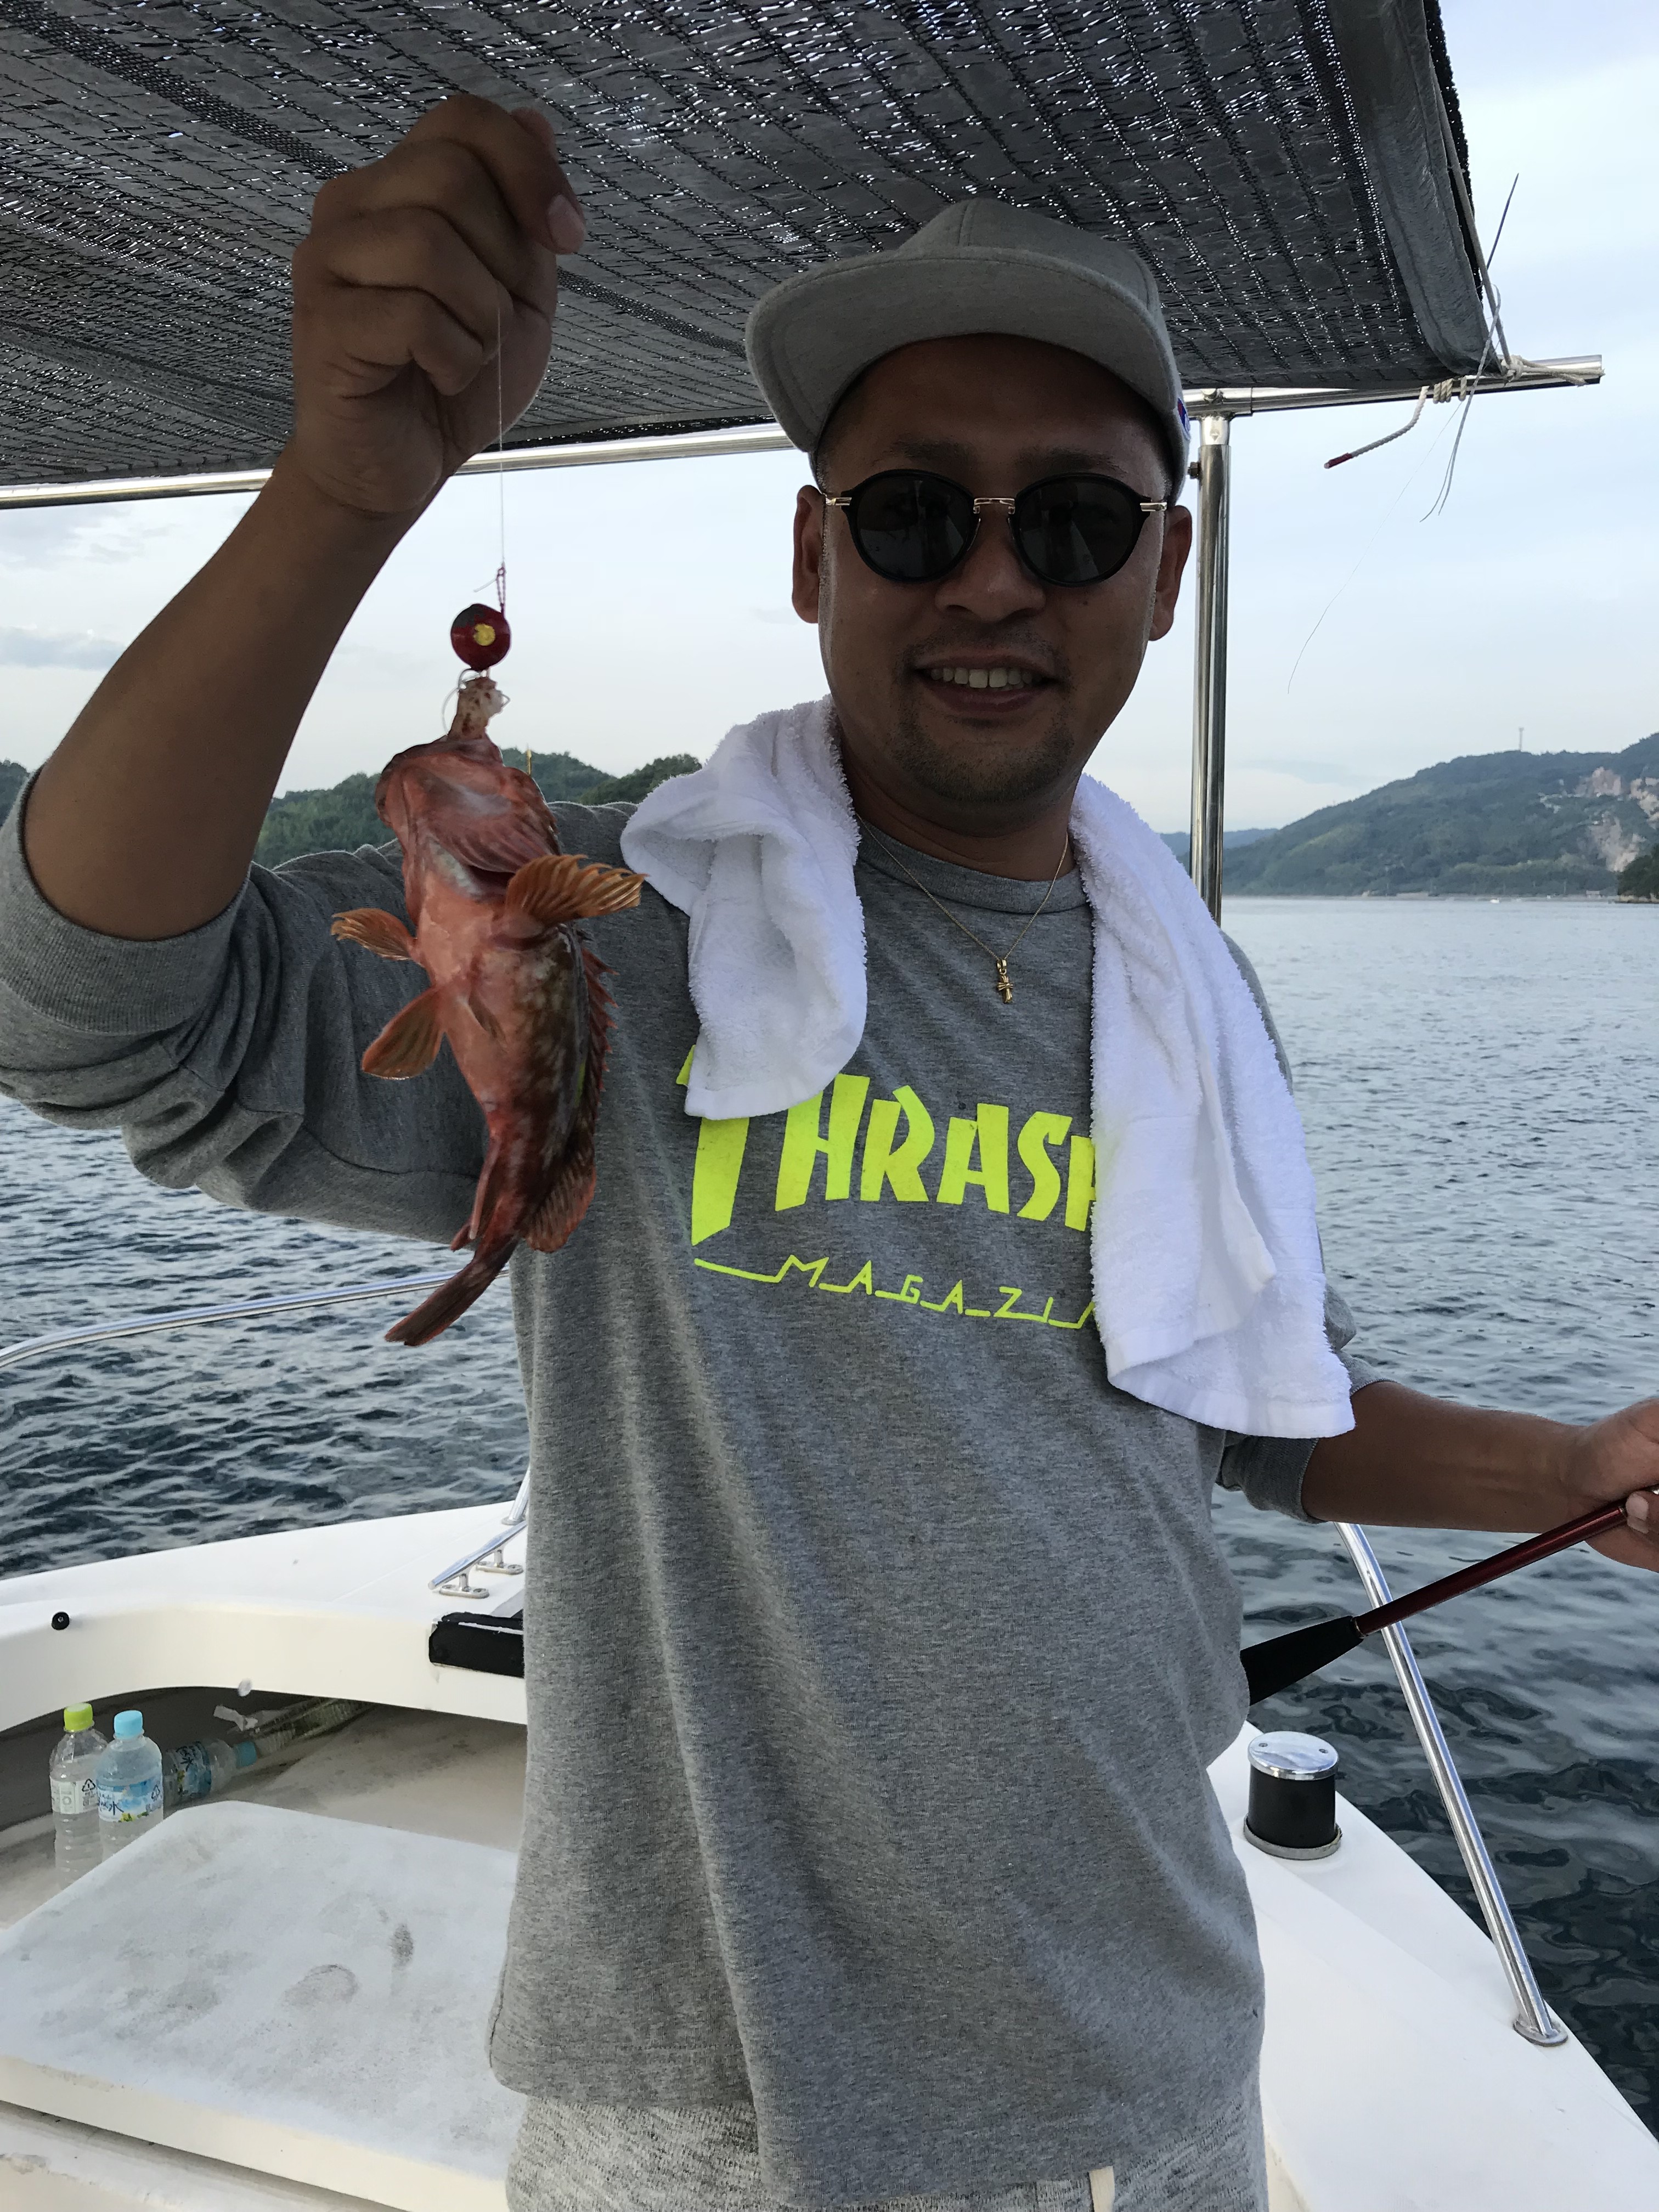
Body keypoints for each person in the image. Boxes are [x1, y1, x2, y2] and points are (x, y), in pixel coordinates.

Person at [2, 95, 1655, 2212]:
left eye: (1077, 521)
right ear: (811, 559)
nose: (994, 577)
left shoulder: (1196, 1000)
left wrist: (1579, 1467)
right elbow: (88, 1016)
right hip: (690, 2101)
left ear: (1167, 571)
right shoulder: (620, 939)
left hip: (1139, 2063)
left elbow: (1265, 1414)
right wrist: (338, 496)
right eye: (913, 515)